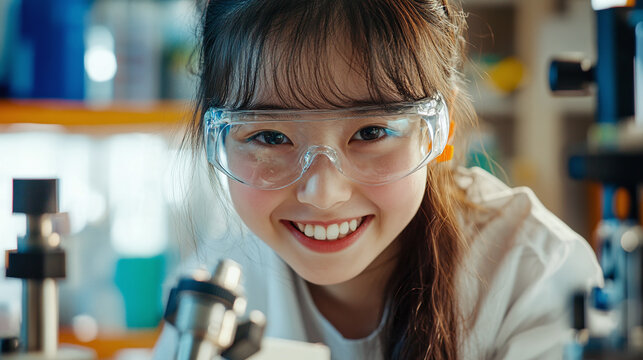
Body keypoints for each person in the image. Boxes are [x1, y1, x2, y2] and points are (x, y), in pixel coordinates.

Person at [154, 0, 602, 359]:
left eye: (372, 132)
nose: (324, 194)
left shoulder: (533, 277)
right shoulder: (213, 298)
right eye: (271, 136)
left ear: (439, 130)